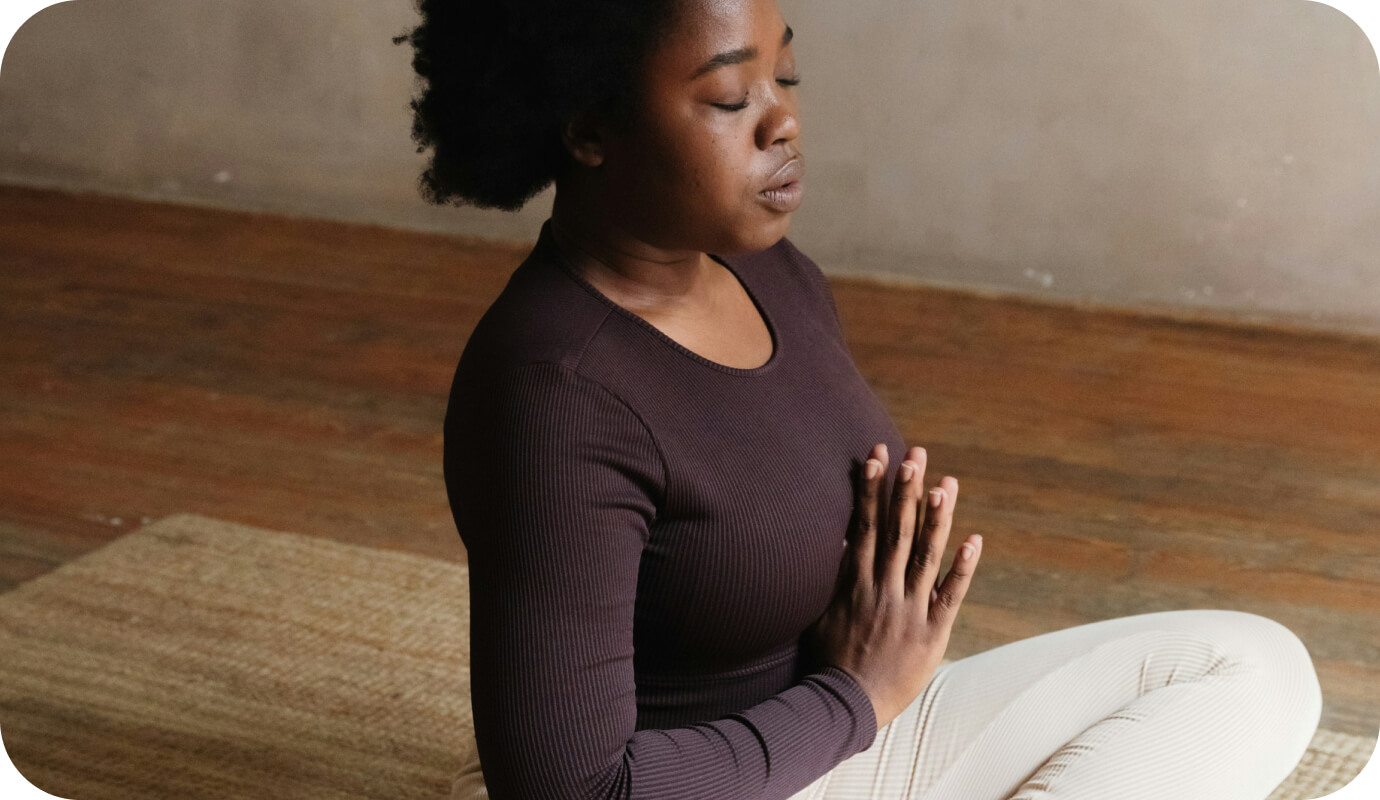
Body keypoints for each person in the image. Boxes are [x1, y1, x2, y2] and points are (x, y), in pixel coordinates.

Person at [392, 1, 1323, 798]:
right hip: (722, 774)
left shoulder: (770, 274)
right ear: (588, 127)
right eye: (729, 97)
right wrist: (857, 697)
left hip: (837, 743)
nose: (781, 122)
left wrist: (869, 677)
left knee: (1254, 670)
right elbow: (576, 790)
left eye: (785, 76)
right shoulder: (555, 393)